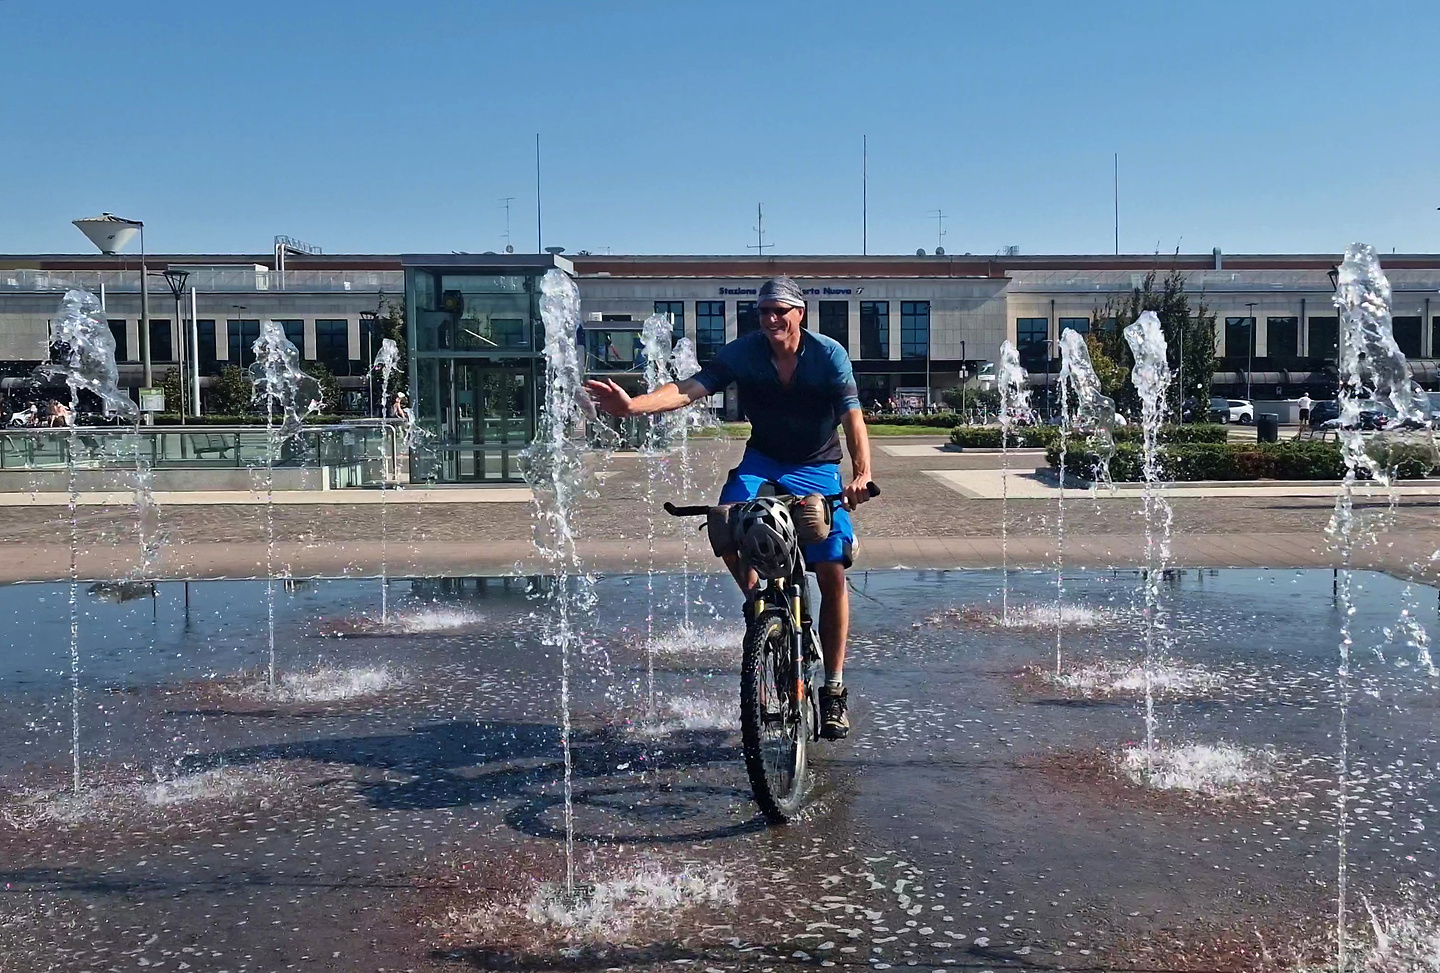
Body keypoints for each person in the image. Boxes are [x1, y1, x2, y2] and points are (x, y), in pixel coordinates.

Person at [584, 276, 873, 740]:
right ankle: (759, 606)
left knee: (830, 567)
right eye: (764, 312)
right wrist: (634, 406)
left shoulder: (828, 355)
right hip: (763, 461)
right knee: (724, 523)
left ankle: (834, 689)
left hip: (817, 463)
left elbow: (852, 417)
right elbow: (688, 388)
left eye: (781, 310)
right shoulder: (744, 352)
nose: (772, 319)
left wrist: (861, 474)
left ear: (800, 313)